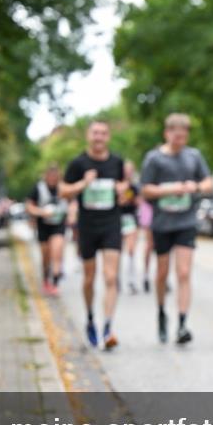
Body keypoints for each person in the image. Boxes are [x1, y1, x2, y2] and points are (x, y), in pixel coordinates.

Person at [140, 113, 212, 345]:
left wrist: (196, 186)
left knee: (183, 273)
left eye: (184, 136)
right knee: (162, 273)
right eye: (176, 135)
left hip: (186, 222)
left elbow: (208, 183)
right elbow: (145, 190)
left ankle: (182, 324)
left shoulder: (194, 156)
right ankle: (161, 312)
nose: (180, 140)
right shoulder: (154, 159)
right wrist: (170, 190)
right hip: (162, 223)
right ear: (167, 133)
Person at [60, 120, 128, 350]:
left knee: (110, 277)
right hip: (87, 226)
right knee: (89, 278)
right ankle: (90, 319)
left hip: (111, 224)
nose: (99, 137)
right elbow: (63, 191)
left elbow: (126, 190)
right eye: (95, 133)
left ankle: (108, 326)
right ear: (89, 136)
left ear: (108, 137)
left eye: (103, 133)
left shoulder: (116, 162)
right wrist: (82, 183)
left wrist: (123, 191)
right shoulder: (78, 163)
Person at [25, 164, 69, 296]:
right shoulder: (39, 188)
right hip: (43, 226)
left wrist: (72, 212)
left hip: (58, 225)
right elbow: (29, 206)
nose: (53, 178)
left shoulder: (64, 187)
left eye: (55, 175)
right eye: (50, 175)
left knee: (56, 251)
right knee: (46, 256)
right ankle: (46, 278)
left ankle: (55, 282)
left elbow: (72, 202)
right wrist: (41, 212)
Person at [119, 160, 141, 295]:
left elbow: (138, 202)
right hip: (117, 219)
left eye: (130, 170)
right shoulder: (116, 185)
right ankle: (117, 279)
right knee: (116, 251)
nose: (128, 172)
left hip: (130, 219)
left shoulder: (134, 187)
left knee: (131, 250)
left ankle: (131, 280)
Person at [137, 195, 155, 293]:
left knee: (165, 246)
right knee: (149, 245)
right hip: (149, 209)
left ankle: (164, 277)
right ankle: (146, 275)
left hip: (163, 210)